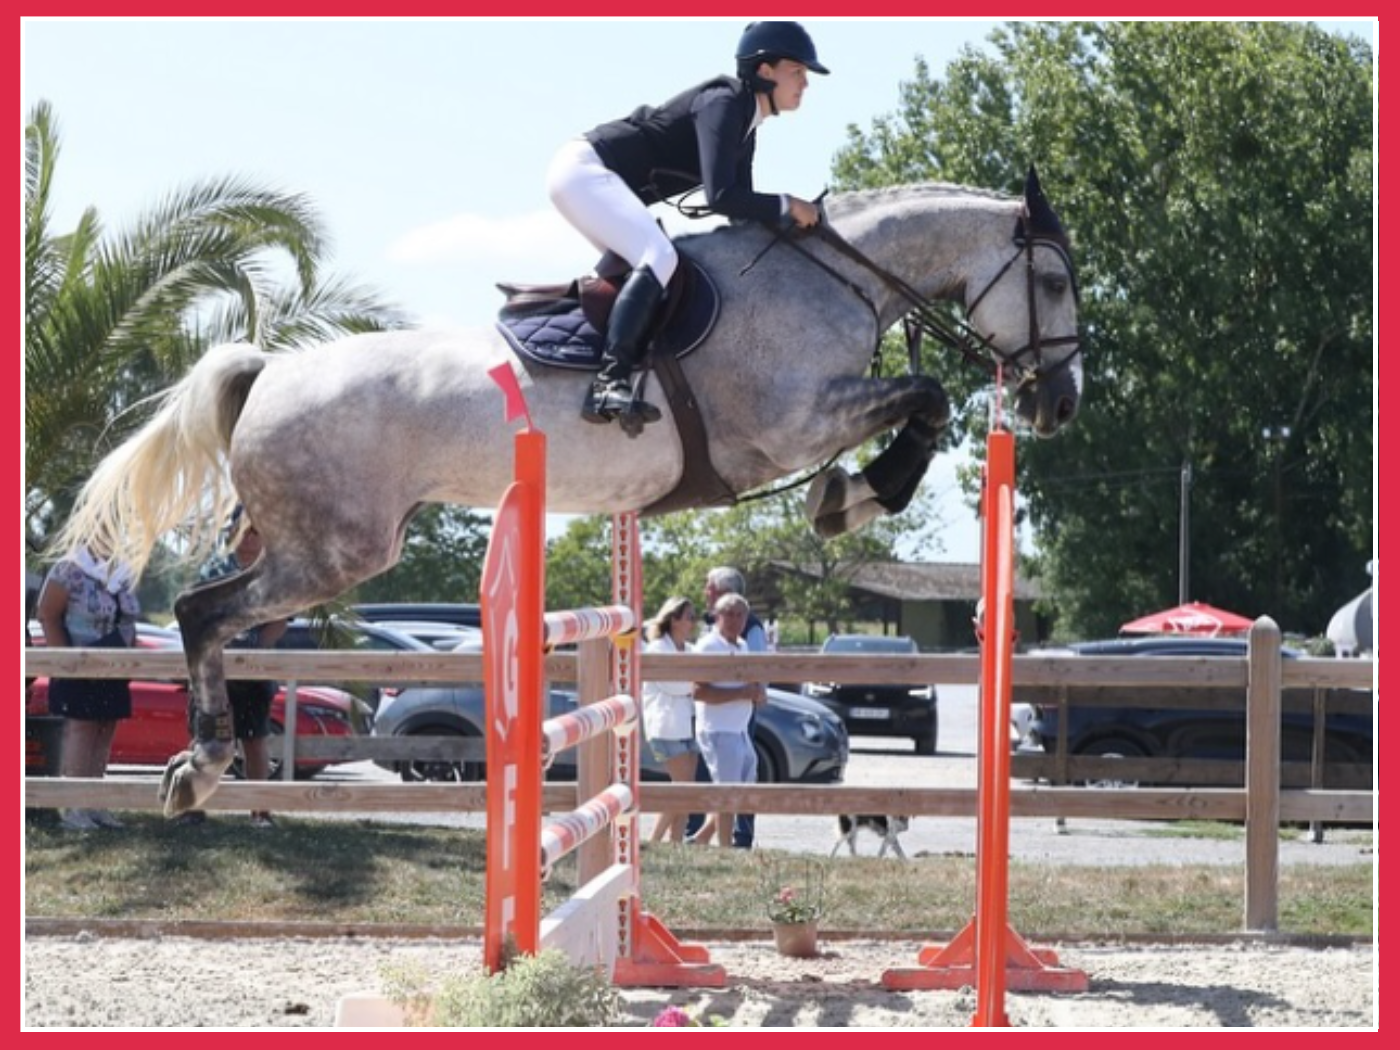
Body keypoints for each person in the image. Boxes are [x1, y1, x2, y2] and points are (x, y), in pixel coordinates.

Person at [546, 20, 829, 427]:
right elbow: (721, 196)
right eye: (797, 71)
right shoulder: (724, 101)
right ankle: (608, 382)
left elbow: (739, 210)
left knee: (653, 272)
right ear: (765, 71)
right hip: (585, 170)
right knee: (659, 256)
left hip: (591, 179)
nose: (805, 83)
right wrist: (788, 204)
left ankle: (611, 369)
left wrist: (792, 227)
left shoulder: (746, 127)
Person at [177, 509, 286, 829]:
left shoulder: (271, 574)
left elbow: (280, 621)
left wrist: (256, 650)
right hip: (213, 669)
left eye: (256, 531)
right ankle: (191, 808)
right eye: (243, 530)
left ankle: (260, 812)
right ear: (231, 532)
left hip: (254, 671)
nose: (249, 538)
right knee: (205, 739)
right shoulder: (214, 570)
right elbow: (196, 614)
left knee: (255, 739)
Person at [36, 545, 140, 831]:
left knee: (105, 730)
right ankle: (75, 807)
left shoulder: (124, 569)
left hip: (115, 664)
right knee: (82, 730)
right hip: (78, 664)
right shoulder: (69, 568)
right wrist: (65, 662)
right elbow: (47, 613)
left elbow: (129, 619)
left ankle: (95, 804)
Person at [687, 565, 766, 846]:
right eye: (728, 614)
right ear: (717, 616)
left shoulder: (743, 645)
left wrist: (757, 693)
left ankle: (700, 839)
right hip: (718, 729)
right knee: (727, 793)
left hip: (740, 729)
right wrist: (743, 692)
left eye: (740, 615)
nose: (734, 620)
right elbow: (698, 691)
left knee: (742, 791)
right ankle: (725, 848)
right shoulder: (708, 646)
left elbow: (756, 679)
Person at [641, 596, 701, 843]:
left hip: (688, 725)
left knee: (686, 790)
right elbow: (673, 685)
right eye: (689, 617)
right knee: (681, 789)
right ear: (674, 620)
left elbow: (696, 681)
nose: (694, 622)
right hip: (665, 727)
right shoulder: (657, 649)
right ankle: (654, 840)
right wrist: (696, 683)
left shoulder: (691, 650)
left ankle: (675, 844)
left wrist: (696, 683)